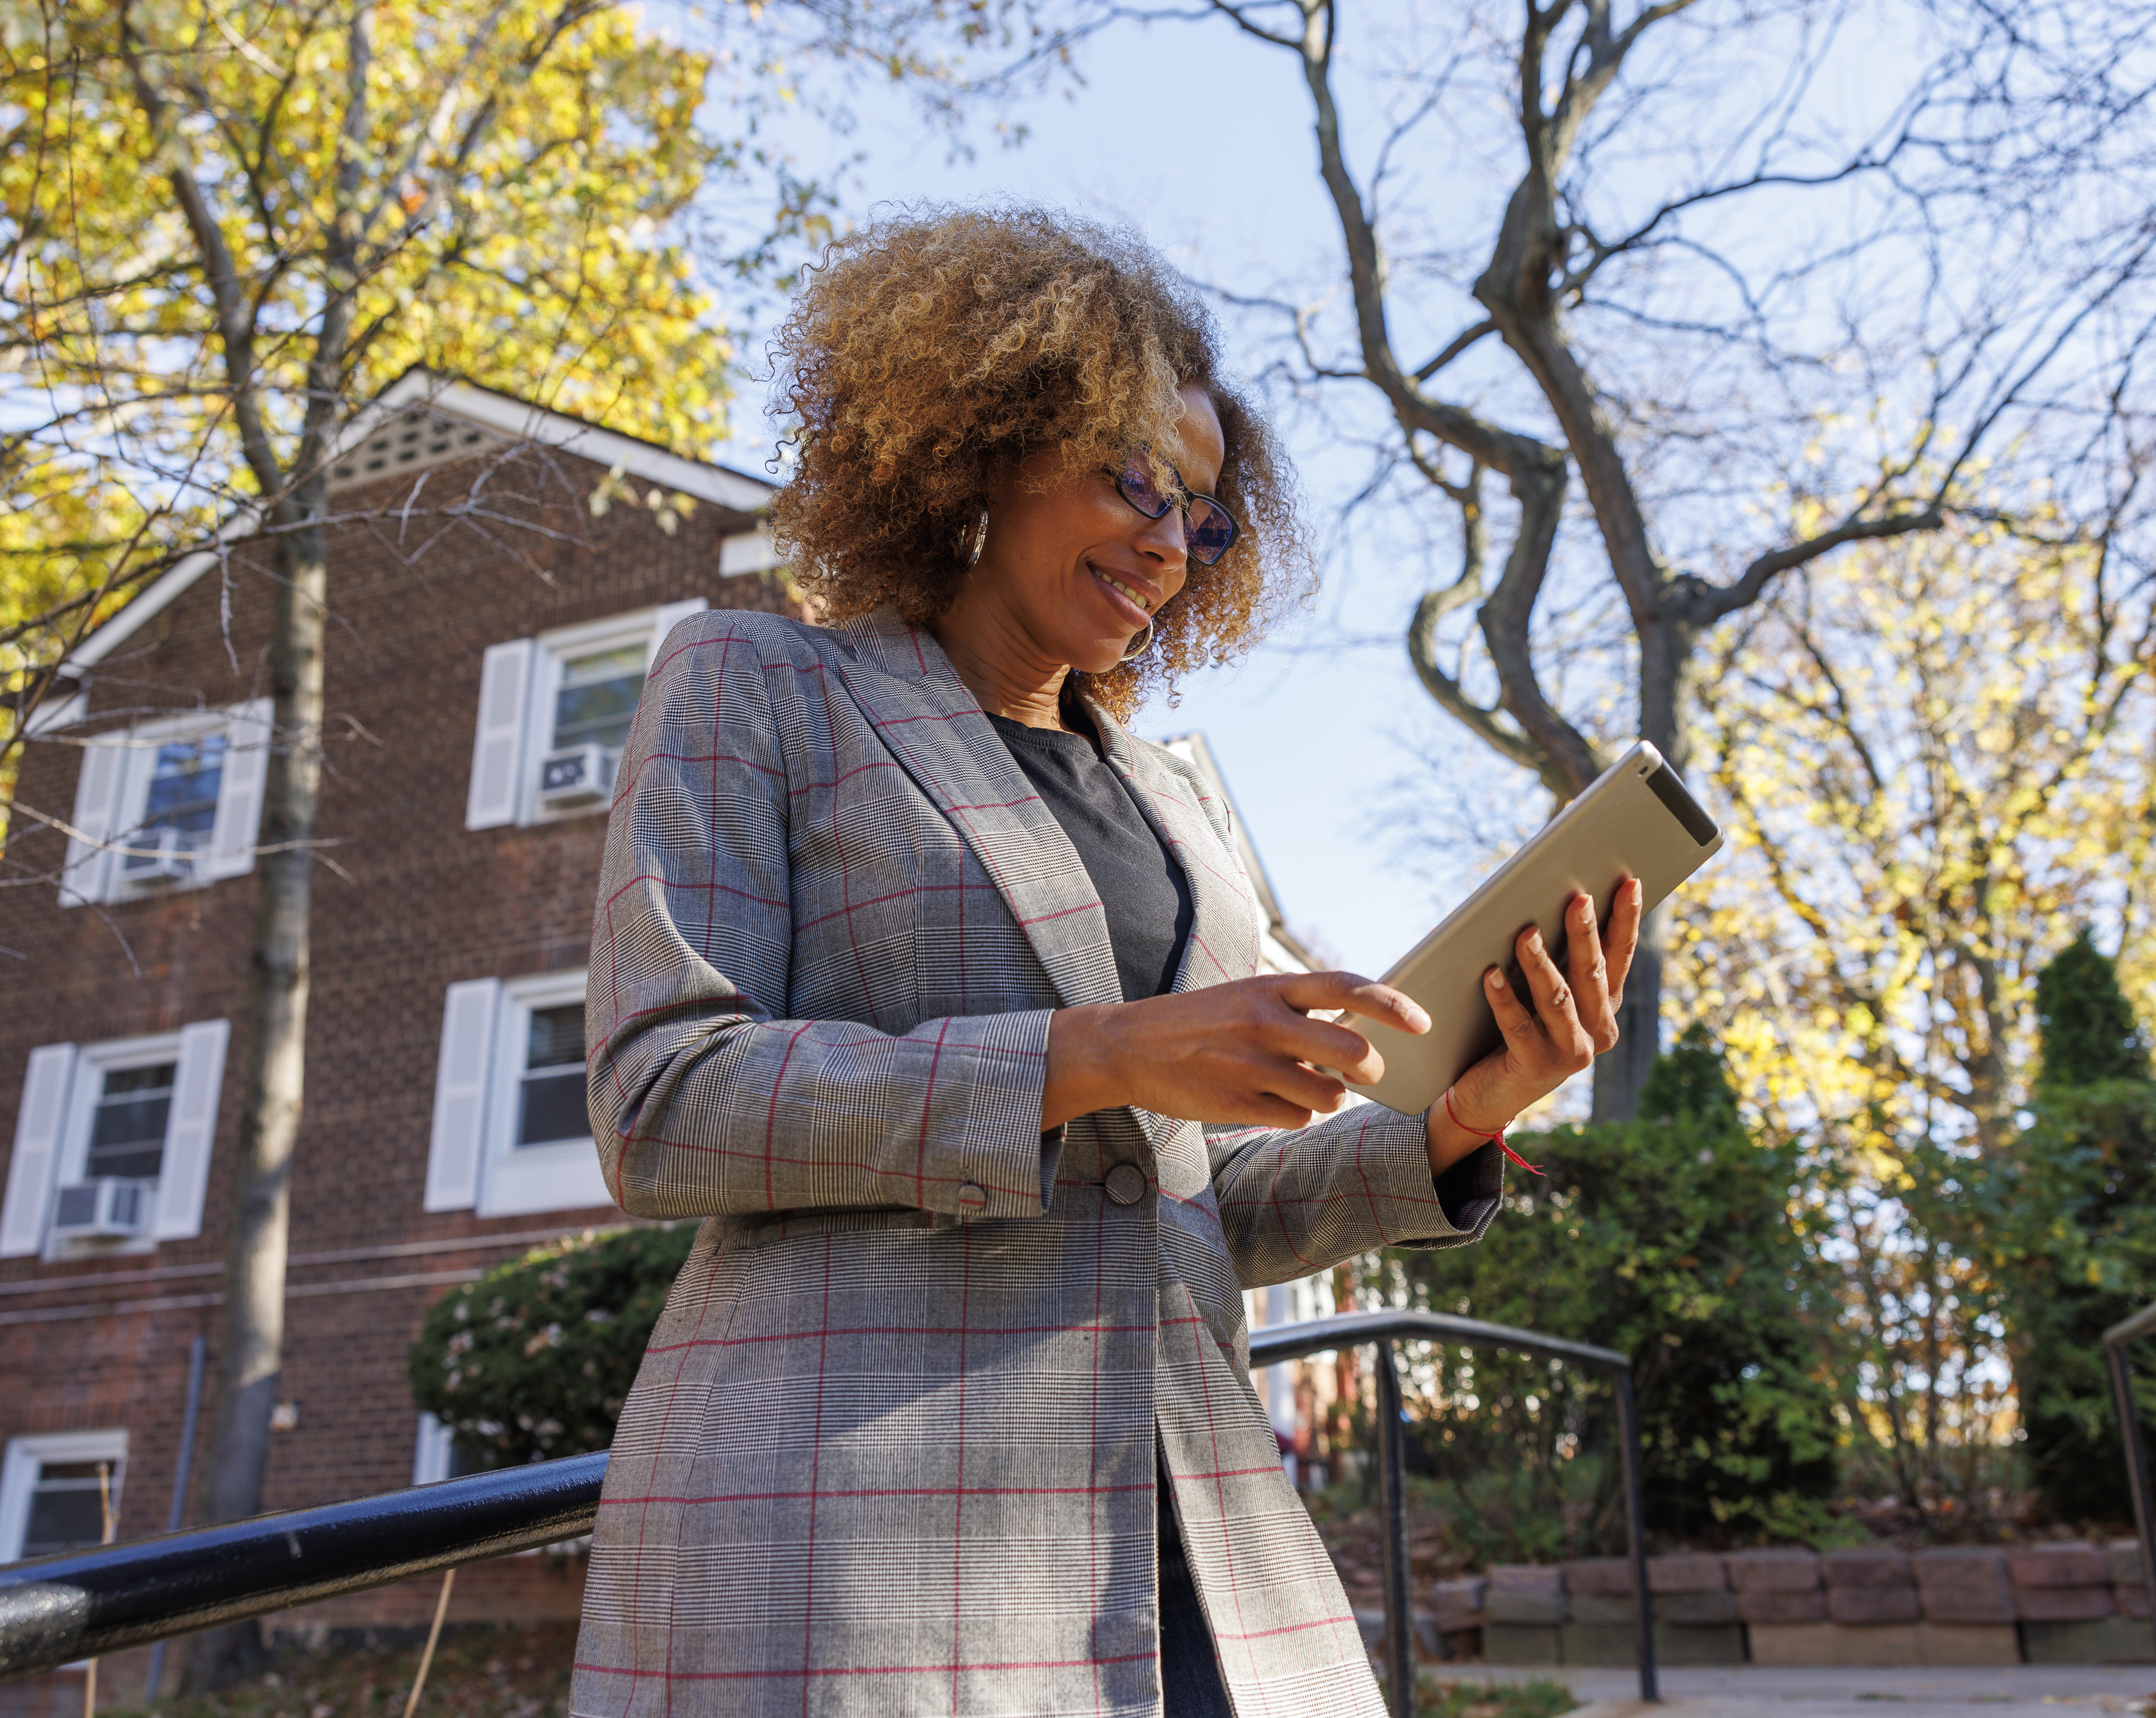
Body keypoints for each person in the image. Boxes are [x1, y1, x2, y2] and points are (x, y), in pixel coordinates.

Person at [570, 205, 1639, 1718]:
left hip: (1192, 1517)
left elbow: (1197, 1199)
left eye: (1200, 513)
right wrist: (1095, 1055)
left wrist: (1460, 1117)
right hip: (848, 1526)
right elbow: (661, 1098)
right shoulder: (760, 681)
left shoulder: (1180, 800)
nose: (1167, 538)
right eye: (1133, 474)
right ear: (988, 446)